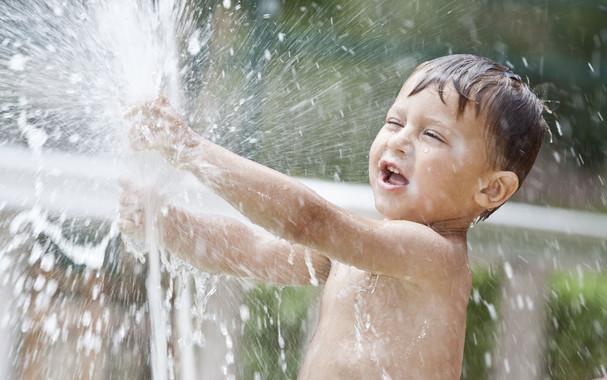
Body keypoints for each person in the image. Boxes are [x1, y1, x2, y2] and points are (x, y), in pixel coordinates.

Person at [118, 54, 548, 379]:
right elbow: (254, 249)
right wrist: (171, 224)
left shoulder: (436, 259)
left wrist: (191, 149)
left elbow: (308, 221)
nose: (398, 141)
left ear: (490, 188)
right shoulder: (360, 251)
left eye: (431, 134)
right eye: (394, 121)